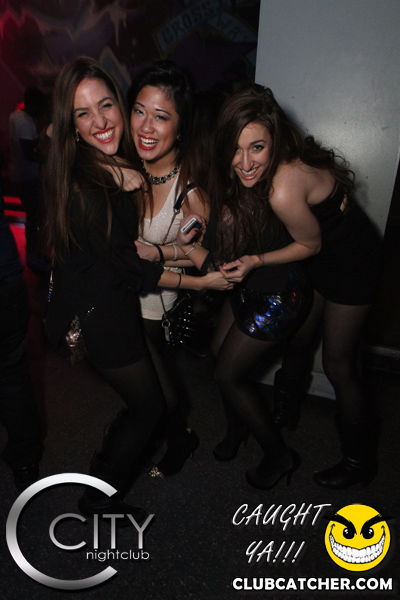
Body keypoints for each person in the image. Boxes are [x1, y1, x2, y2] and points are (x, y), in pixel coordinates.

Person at [44, 57, 232, 523]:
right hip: (100, 315)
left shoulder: (110, 161)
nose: (100, 121)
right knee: (148, 407)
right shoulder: (90, 186)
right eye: (83, 113)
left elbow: (195, 240)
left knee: (159, 400)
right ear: (72, 125)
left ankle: (160, 446)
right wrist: (200, 280)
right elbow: (133, 268)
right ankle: (98, 495)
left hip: (117, 305)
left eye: (106, 105)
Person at [176, 85, 322, 490]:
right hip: (247, 288)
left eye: (257, 148)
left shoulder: (281, 186)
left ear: (274, 141)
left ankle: (279, 456)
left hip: (279, 297)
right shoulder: (230, 178)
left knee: (228, 375)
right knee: (217, 354)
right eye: (235, 149)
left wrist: (187, 249)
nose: (245, 163)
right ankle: (238, 426)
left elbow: (222, 267)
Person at [125, 60, 211, 478]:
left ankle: (177, 440)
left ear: (180, 127)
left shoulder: (190, 191)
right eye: (139, 111)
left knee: (160, 395)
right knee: (142, 390)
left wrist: (157, 252)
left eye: (161, 116)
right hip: (118, 298)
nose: (146, 126)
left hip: (156, 307)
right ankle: (164, 435)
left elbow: (205, 259)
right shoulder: (123, 168)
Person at [0, 153, 43, 491]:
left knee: (12, 375)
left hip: (6, 282)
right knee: (13, 377)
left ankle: (26, 457)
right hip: (6, 282)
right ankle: (25, 461)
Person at [9, 87, 50, 276]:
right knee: (37, 218)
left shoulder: (15, 116)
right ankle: (36, 256)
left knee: (33, 217)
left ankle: (35, 255)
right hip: (28, 177)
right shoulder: (24, 122)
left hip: (19, 175)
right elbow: (29, 152)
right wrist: (49, 158)